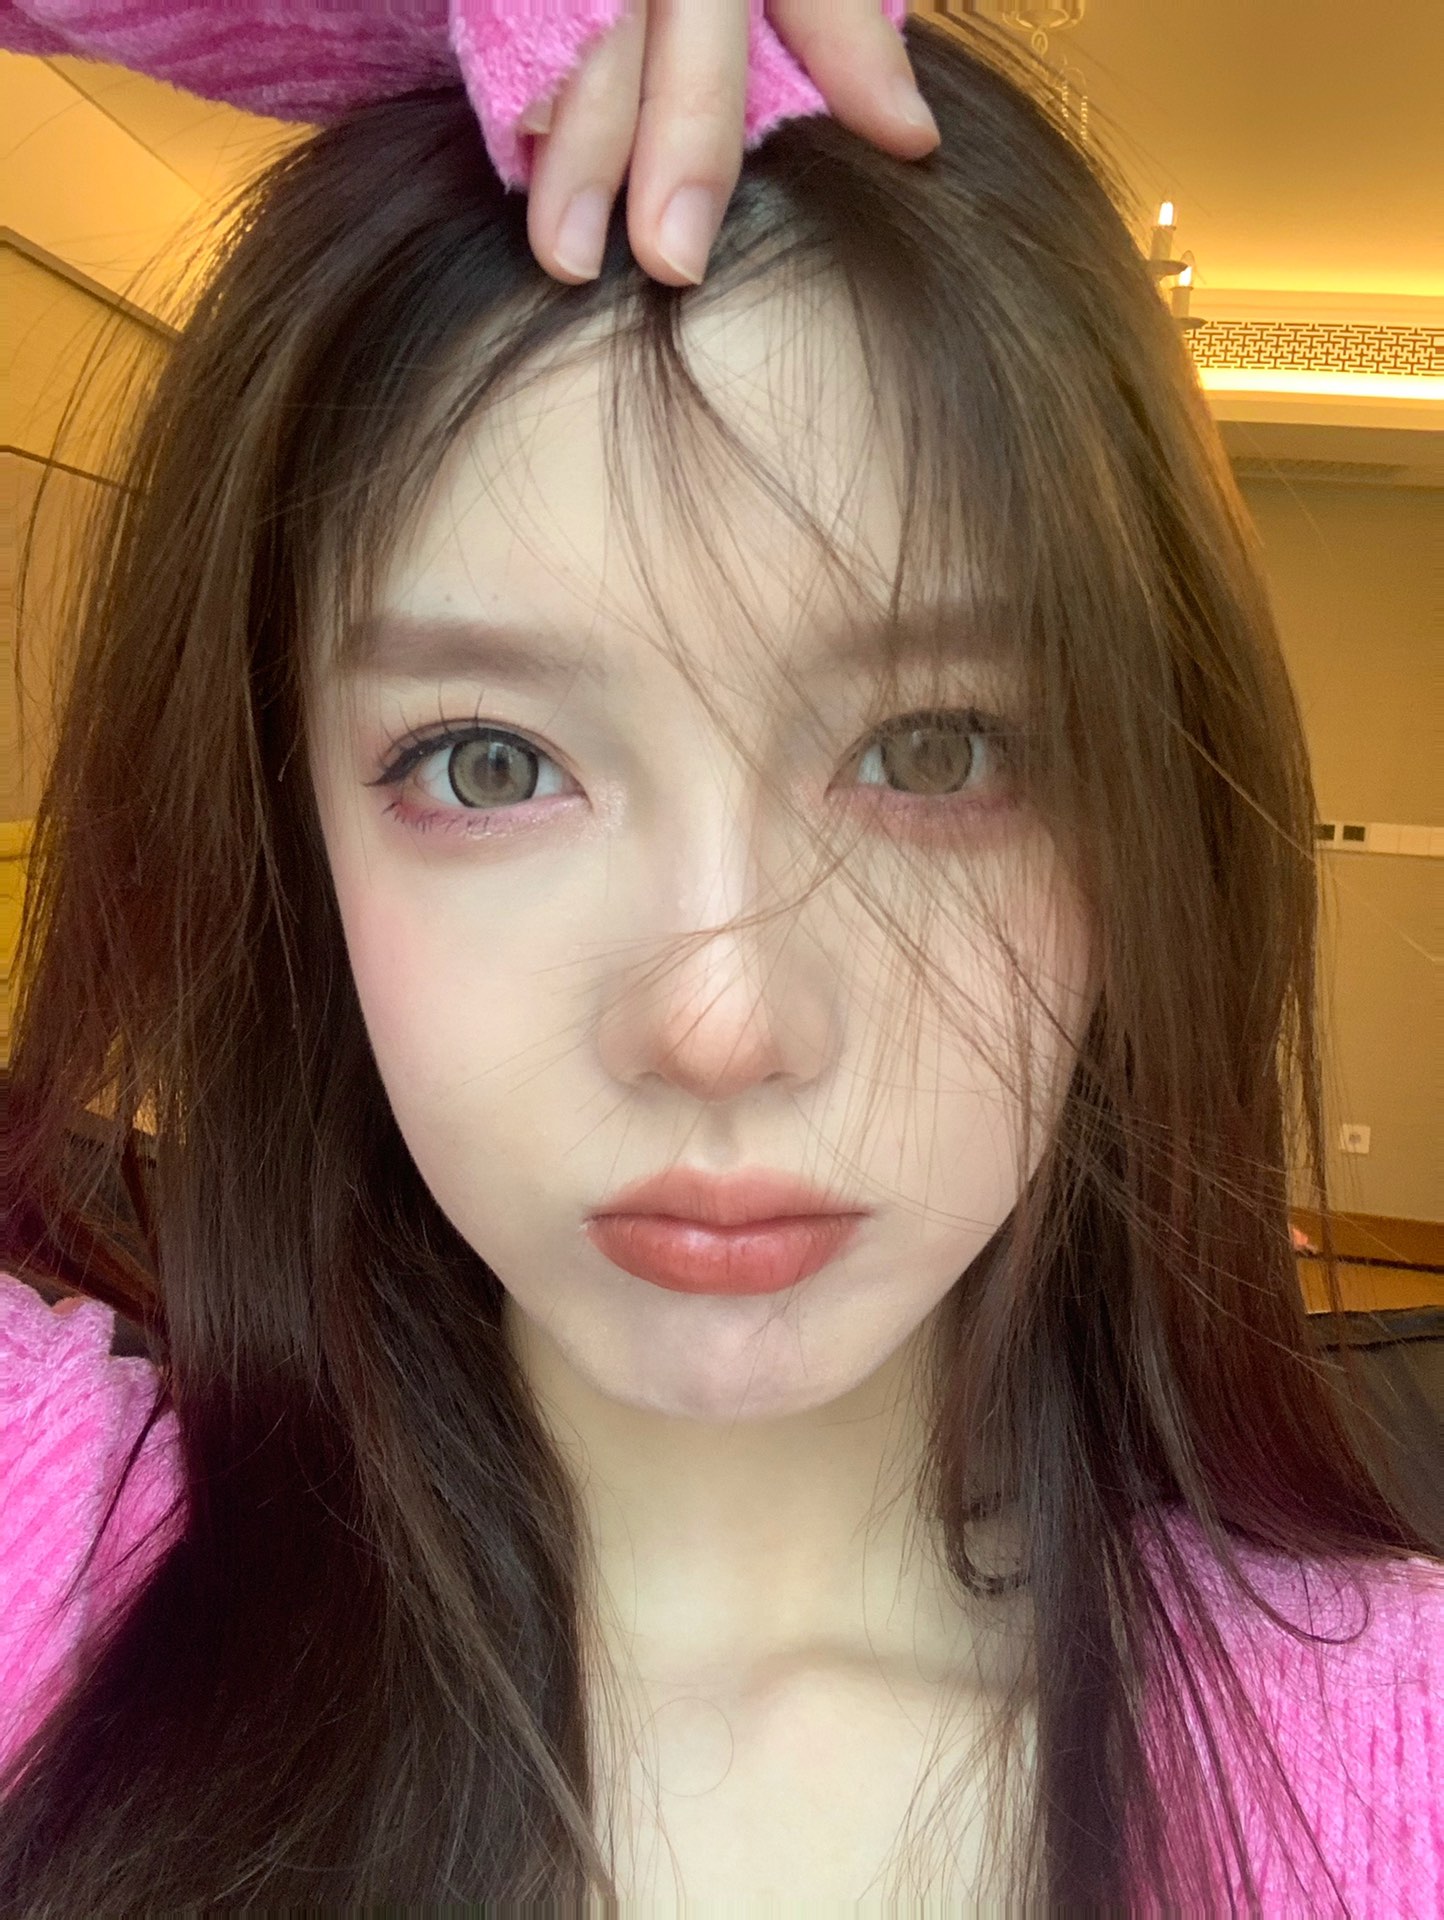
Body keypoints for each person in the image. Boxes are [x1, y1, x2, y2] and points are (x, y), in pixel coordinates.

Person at [1, 12, 1439, 1913]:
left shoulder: (1393, 1759)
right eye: (488, 762)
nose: (719, 1020)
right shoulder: (53, 1570)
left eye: (938, 751)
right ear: (296, 842)